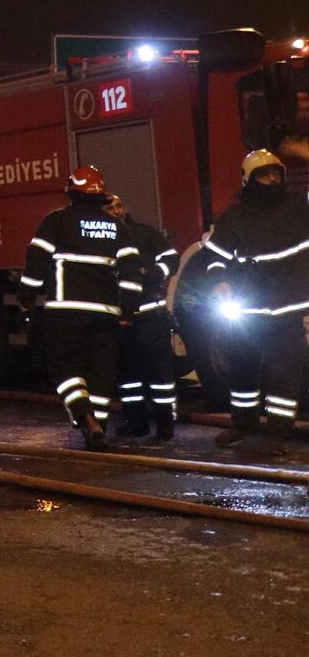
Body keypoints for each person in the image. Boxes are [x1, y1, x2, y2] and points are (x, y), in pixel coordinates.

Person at [19, 165, 138, 449]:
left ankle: (85, 417)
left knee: (64, 368)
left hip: (66, 311)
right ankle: (98, 430)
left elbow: (36, 261)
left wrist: (27, 296)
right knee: (101, 373)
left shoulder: (56, 221)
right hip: (106, 313)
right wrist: (129, 310)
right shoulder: (117, 227)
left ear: (71, 191)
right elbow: (132, 273)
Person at [200, 149, 309, 449]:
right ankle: (244, 424)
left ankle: (277, 433)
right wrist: (220, 282)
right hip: (247, 311)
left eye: (276, 174)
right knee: (242, 370)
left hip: (289, 311)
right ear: (249, 180)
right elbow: (215, 257)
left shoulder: (300, 207)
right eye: (264, 175)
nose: (272, 180)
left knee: (284, 375)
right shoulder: (234, 219)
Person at [106, 192, 178, 440]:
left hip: (151, 318)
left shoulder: (145, 234)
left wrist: (154, 274)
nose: (116, 211)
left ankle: (165, 425)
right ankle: (135, 423)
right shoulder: (102, 241)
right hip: (122, 321)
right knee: (128, 377)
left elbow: (171, 259)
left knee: (159, 375)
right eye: (110, 208)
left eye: (119, 206)